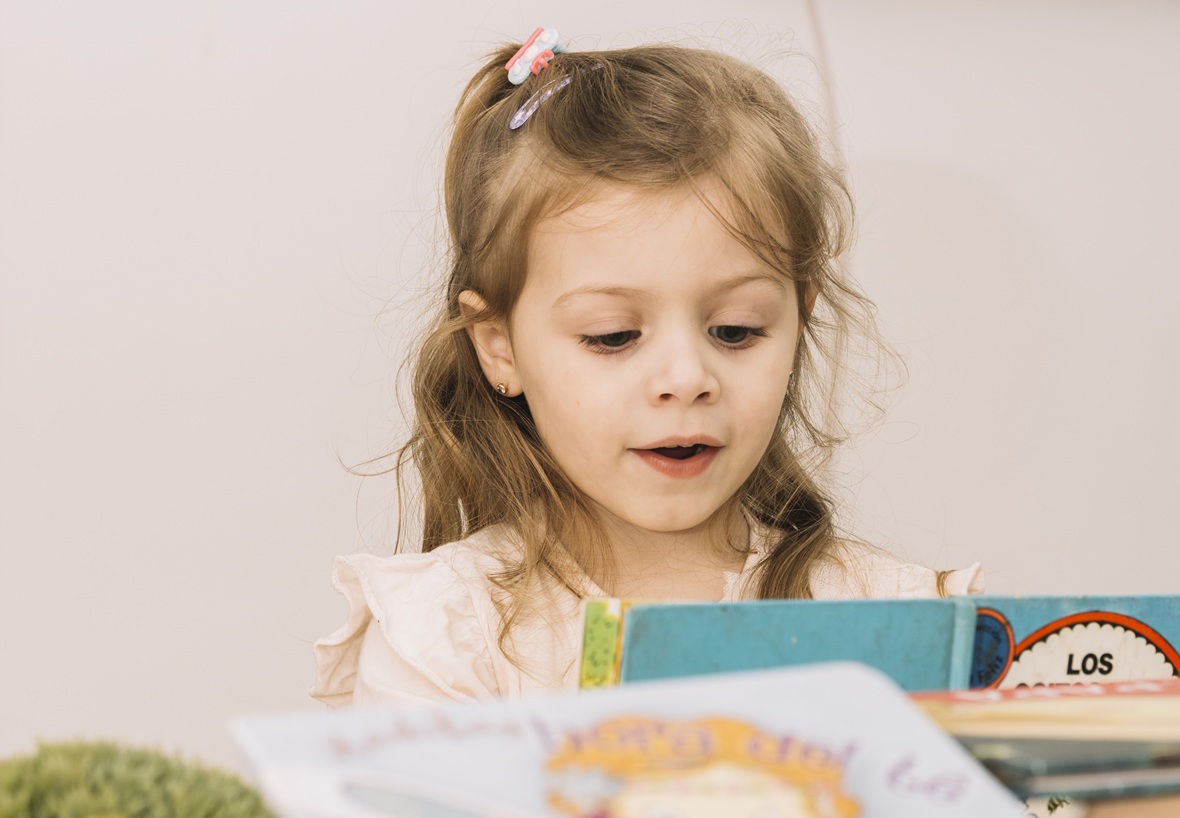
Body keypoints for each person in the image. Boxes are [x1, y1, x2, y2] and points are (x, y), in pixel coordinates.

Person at [313, 29, 983, 709]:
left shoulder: (900, 620)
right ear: (500, 349)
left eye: (735, 330)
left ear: (798, 321)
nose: (686, 378)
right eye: (613, 337)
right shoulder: (443, 636)